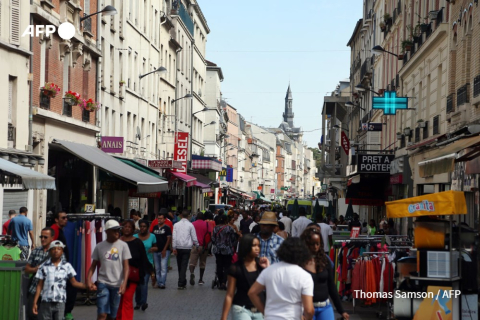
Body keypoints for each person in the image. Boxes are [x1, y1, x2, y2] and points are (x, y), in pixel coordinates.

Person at [248, 238, 315, 320]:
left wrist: (265, 312)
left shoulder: (269, 271)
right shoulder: (305, 276)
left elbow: (252, 292)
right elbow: (309, 310)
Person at [32, 240, 89, 320]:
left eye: (59, 249)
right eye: (53, 249)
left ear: (62, 251)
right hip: (46, 302)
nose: (56, 251)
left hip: (60, 302)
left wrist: (87, 286)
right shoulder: (44, 266)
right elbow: (39, 285)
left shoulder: (67, 266)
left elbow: (74, 282)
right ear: (50, 251)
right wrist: (35, 302)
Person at [300, 229, 350, 320]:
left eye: (317, 244)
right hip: (306, 309)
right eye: (312, 244)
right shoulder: (300, 262)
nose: (315, 247)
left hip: (325, 307)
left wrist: (341, 310)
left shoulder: (325, 260)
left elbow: (331, 287)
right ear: (306, 244)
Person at [87, 220, 131, 320]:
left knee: (112, 316)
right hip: (103, 283)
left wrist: (124, 284)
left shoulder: (123, 246)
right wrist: (89, 280)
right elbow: (93, 265)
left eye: (118, 230)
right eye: (114, 230)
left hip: (117, 285)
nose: (117, 232)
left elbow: (126, 267)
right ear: (107, 232)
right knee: (102, 314)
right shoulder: (99, 246)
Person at [221, 234, 270, 320]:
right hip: (241, 309)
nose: (257, 248)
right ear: (246, 246)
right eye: (254, 245)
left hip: (260, 310)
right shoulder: (235, 268)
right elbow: (230, 294)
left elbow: (272, 287)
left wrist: (268, 268)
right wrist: (224, 317)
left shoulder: (261, 265)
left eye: (258, 245)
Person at [25, 227, 57, 320]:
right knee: (32, 316)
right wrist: (35, 269)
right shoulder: (36, 251)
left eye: (45, 237)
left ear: (52, 238)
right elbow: (27, 268)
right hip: (34, 290)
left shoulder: (58, 253)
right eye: (41, 237)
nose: (42, 239)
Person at [50, 211, 75, 320]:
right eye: (63, 218)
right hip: (58, 266)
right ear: (56, 219)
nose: (66, 220)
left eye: (66, 218)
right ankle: (66, 312)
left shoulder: (59, 230)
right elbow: (51, 248)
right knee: (71, 287)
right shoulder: (54, 230)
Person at [172, 210, 199, 289]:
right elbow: (194, 237)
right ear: (188, 216)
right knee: (184, 264)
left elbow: (174, 237)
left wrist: (174, 247)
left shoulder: (176, 225)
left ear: (180, 216)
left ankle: (182, 280)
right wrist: (197, 245)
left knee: (179, 265)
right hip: (187, 247)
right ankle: (181, 282)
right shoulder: (190, 225)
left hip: (178, 247)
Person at [133, 220, 156, 310]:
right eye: (141, 226)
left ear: (147, 227)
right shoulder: (134, 237)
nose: (142, 228)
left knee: (144, 284)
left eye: (144, 226)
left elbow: (156, 246)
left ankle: (143, 303)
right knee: (138, 286)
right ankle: (138, 302)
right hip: (136, 264)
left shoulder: (152, 236)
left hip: (147, 264)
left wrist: (153, 248)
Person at [212, 214, 238, 290]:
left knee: (219, 266)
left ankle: (220, 282)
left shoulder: (215, 229)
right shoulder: (229, 228)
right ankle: (224, 282)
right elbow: (233, 239)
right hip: (227, 250)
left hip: (218, 250)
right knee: (227, 266)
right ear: (226, 220)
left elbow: (213, 239)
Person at [188, 212, 211, 286]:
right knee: (202, 263)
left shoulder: (193, 224)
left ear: (196, 217)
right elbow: (210, 234)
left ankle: (192, 273)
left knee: (192, 262)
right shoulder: (207, 224)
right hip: (204, 246)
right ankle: (200, 279)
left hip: (194, 246)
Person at [152, 212, 172, 289]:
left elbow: (168, 239)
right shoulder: (155, 228)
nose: (159, 220)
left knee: (163, 267)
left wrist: (164, 249)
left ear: (164, 219)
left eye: (161, 218)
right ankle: (159, 282)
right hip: (156, 251)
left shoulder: (167, 228)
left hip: (165, 251)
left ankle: (162, 283)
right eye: (158, 218)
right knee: (157, 268)